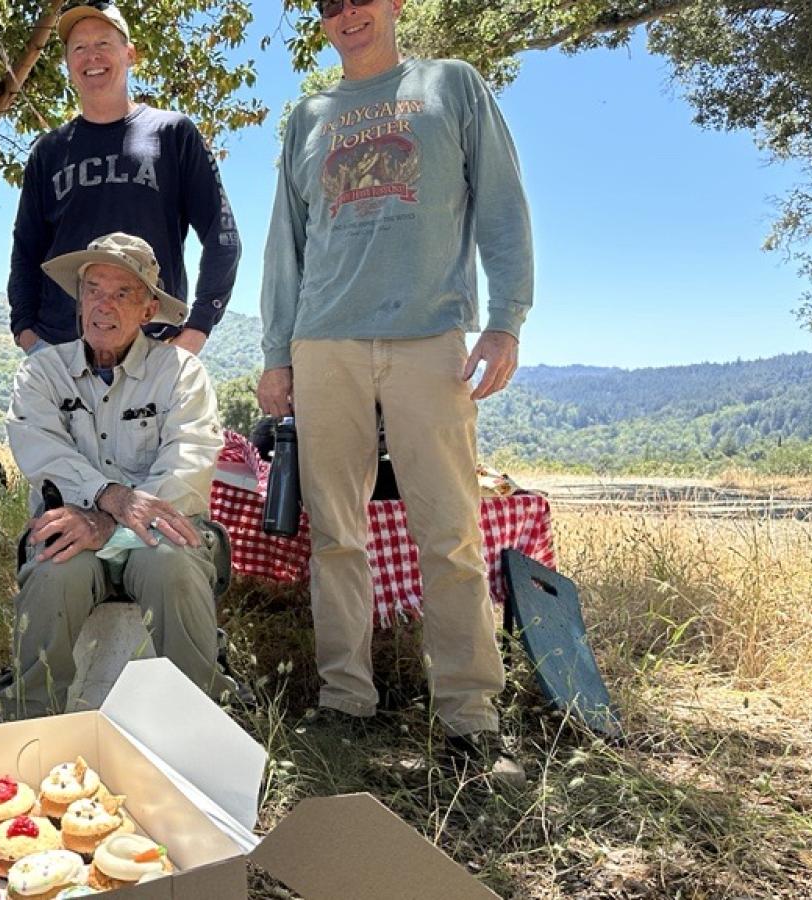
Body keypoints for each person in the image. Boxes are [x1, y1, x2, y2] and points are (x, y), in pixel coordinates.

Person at [256, 0, 534, 775]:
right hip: (325, 342)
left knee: (448, 528)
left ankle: (469, 716)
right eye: (329, 4)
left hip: (428, 335)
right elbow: (288, 242)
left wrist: (507, 318)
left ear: (395, 4)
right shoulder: (308, 116)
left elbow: (504, 205)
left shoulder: (452, 85)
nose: (347, 12)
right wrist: (277, 350)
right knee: (336, 532)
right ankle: (345, 701)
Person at [0, 232, 235, 720]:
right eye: (94, 290)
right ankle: (27, 725)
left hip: (159, 530)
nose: (105, 305)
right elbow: (40, 450)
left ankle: (198, 726)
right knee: (55, 571)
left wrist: (111, 523)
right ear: (79, 300)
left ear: (148, 310)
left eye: (123, 293)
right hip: (72, 531)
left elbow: (189, 464)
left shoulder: (181, 372)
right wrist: (109, 496)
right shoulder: (42, 374)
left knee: (172, 566)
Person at [6, 0, 240, 357]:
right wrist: (26, 334)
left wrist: (197, 328)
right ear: (68, 64)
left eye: (103, 44)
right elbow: (25, 250)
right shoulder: (48, 151)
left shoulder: (172, 133)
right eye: (79, 48)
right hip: (61, 353)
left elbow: (222, 236)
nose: (91, 57)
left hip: (152, 348)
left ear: (129, 54)